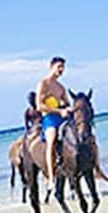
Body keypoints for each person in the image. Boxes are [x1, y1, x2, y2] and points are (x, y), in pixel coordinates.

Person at [36, 57, 71, 195]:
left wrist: (69, 109)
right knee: (51, 139)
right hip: (49, 118)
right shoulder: (43, 84)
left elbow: (67, 103)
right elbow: (39, 105)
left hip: (61, 117)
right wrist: (59, 111)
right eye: (59, 67)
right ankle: (50, 177)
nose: (61, 70)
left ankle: (97, 169)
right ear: (51, 67)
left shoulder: (61, 88)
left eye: (63, 67)